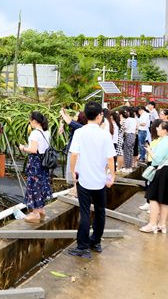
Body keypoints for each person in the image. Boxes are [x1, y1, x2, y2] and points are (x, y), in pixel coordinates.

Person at [67, 101, 116, 259]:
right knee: (101, 212)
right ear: (100, 115)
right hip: (100, 180)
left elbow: (74, 154)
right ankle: (96, 242)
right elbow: (110, 158)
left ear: (85, 114)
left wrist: (73, 170)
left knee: (85, 212)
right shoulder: (105, 134)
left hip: (85, 180)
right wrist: (112, 176)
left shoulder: (80, 132)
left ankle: (82, 246)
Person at [140, 121, 168, 234]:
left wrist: (150, 151)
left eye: (159, 127)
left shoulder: (164, 142)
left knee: (153, 197)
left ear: (165, 130)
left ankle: (152, 224)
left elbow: (157, 160)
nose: (156, 129)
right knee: (165, 199)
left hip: (163, 171)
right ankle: (162, 225)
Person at [19, 112, 53, 223]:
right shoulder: (46, 132)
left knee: (34, 186)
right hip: (44, 162)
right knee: (42, 184)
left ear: (34, 121)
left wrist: (23, 148)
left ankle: (35, 213)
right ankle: (41, 209)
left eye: (30, 121)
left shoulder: (35, 133)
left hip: (35, 163)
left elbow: (33, 149)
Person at [59, 109, 87, 187]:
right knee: (76, 171)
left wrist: (62, 114)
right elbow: (70, 121)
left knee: (75, 171)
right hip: (76, 151)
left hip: (76, 153)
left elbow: (70, 122)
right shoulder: (80, 126)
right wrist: (65, 114)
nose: (75, 117)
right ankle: (75, 187)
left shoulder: (81, 127)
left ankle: (76, 188)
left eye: (77, 116)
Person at [139, 119, 162, 212]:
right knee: (148, 183)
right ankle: (148, 203)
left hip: (156, 163)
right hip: (150, 162)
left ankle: (154, 205)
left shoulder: (163, 139)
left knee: (154, 185)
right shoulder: (155, 138)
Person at [121, 108, 137, 173]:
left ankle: (127, 167)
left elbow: (125, 127)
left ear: (129, 112)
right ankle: (129, 167)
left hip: (128, 135)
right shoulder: (134, 119)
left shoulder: (127, 119)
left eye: (126, 112)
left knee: (127, 152)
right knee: (130, 152)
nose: (125, 113)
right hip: (133, 135)